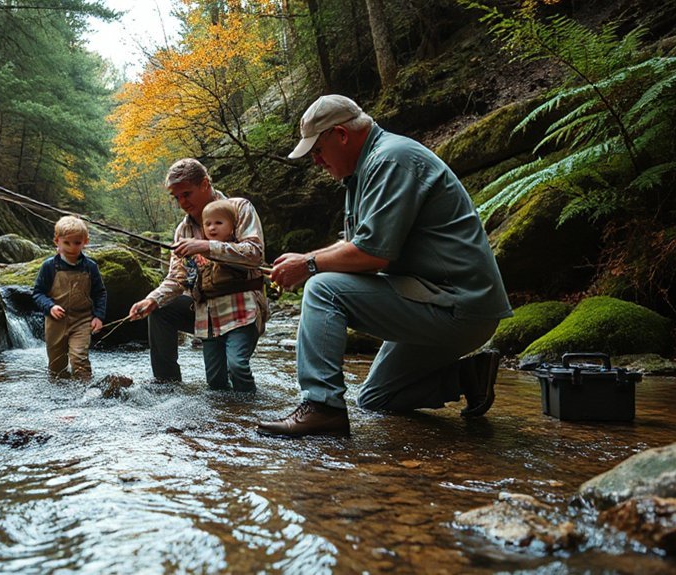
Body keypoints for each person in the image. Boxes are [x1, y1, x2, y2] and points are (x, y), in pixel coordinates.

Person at [258, 94, 512, 437]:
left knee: (321, 288)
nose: (316, 162)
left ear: (341, 135)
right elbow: (355, 247)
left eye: (317, 150)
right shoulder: (362, 173)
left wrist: (308, 265)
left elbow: (372, 255)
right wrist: (307, 260)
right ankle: (468, 378)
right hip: (434, 301)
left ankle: (322, 407)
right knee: (376, 398)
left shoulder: (392, 159)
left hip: (458, 305)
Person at [128, 158, 267, 386]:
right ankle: (166, 385)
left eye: (187, 194)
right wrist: (152, 299)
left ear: (204, 184)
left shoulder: (239, 208)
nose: (182, 202)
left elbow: (254, 253)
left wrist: (206, 246)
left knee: (236, 369)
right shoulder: (182, 230)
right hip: (205, 310)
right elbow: (177, 278)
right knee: (160, 310)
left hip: (244, 307)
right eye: (177, 197)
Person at [191, 199, 266, 392]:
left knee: (238, 365)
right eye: (208, 224)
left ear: (232, 227)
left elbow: (251, 258)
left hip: (241, 315)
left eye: (219, 223)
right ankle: (225, 413)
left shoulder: (238, 249)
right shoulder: (198, 252)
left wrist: (210, 250)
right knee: (215, 381)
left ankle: (248, 402)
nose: (212, 227)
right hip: (209, 319)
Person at [32, 215, 107, 379]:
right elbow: (38, 293)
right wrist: (50, 306)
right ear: (56, 241)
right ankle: (61, 398)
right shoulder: (49, 266)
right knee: (56, 365)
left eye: (77, 243)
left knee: (79, 358)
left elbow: (100, 293)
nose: (72, 247)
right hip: (55, 321)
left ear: (85, 242)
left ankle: (86, 393)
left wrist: (98, 316)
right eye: (66, 242)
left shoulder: (90, 267)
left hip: (82, 320)